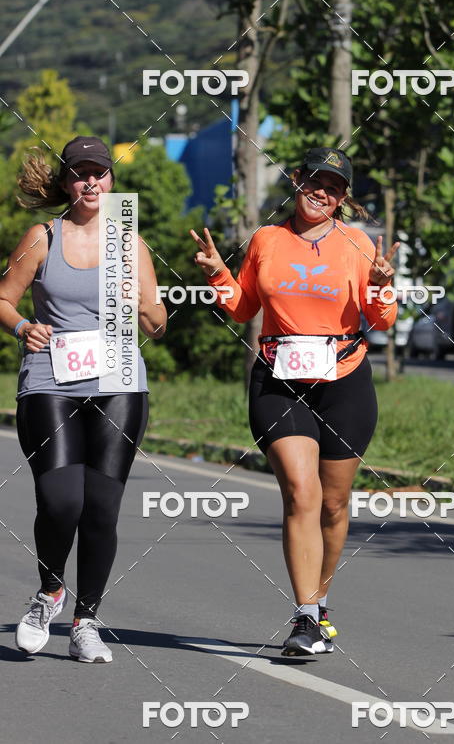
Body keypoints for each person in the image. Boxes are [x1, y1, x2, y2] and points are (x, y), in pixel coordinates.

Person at [190, 147, 398, 656]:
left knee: (332, 503)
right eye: (314, 180)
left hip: (344, 380)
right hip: (279, 382)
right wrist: (219, 272)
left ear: (343, 198)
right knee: (301, 493)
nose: (321, 192)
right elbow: (243, 308)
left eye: (333, 186)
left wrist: (384, 289)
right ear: (298, 180)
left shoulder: (358, 244)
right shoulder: (266, 239)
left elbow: (382, 319)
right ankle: (305, 617)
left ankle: (320, 601)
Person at [0, 136, 167, 663]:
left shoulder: (130, 244)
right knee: (61, 500)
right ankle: (50, 590)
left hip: (118, 382)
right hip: (51, 380)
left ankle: (85, 621)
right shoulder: (42, 238)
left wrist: (146, 307)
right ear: (67, 182)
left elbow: (157, 324)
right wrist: (23, 325)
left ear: (111, 181)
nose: (91, 182)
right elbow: (3, 299)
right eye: (80, 173)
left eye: (99, 172)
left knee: (100, 508)